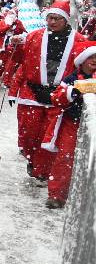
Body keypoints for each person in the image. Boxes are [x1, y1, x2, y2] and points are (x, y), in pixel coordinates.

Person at [12, 0, 86, 181]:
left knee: (49, 136)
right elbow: (19, 62)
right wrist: (16, 45)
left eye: (56, 19)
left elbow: (84, 68)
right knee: (28, 134)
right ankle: (32, 159)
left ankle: (41, 171)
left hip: (59, 96)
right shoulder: (34, 37)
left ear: (66, 20)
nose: (52, 22)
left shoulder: (78, 40)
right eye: (49, 18)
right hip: (33, 93)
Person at [41, 44, 96, 209]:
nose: (94, 61)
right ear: (82, 60)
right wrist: (70, 93)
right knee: (65, 158)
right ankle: (57, 195)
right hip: (72, 123)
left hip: (92, 124)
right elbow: (56, 98)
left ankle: (86, 199)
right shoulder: (71, 78)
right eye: (91, 57)